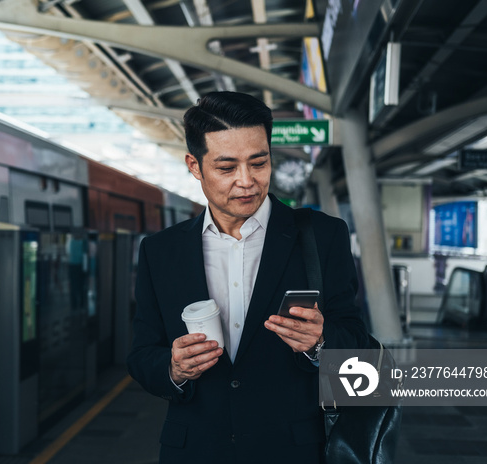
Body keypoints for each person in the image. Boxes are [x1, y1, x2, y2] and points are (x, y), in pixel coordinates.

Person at [127, 91, 368, 463]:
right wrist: (173, 368)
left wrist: (321, 342)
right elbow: (142, 354)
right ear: (194, 165)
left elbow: (357, 341)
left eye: (259, 163)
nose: (247, 181)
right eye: (226, 168)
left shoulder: (322, 236)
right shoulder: (161, 251)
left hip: (293, 450)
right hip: (194, 451)